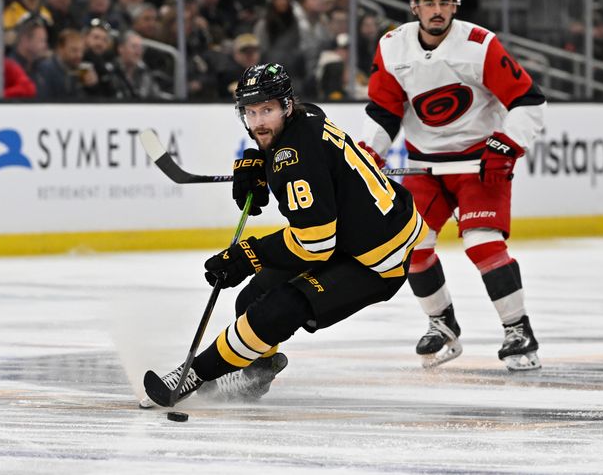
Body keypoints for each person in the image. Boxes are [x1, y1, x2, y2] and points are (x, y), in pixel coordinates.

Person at [142, 63, 428, 407]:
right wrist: (258, 162)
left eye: (267, 110)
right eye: (251, 112)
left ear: (286, 106)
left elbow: (315, 244)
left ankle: (193, 375)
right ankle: (259, 373)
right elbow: (298, 148)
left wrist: (248, 255)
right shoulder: (304, 119)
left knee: (281, 308)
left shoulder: (295, 159)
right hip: (354, 236)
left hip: (378, 260)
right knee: (250, 301)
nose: (259, 121)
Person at [358, 0, 546, 371]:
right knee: (412, 245)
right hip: (424, 166)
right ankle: (442, 325)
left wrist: (506, 145)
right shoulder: (393, 46)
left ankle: (518, 330)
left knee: (482, 243)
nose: (437, 10)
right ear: (415, 6)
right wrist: (368, 151)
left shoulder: (479, 44)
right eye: (429, 2)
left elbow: (529, 100)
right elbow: (384, 110)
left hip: (479, 164)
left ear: (455, 4)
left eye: (445, 2)